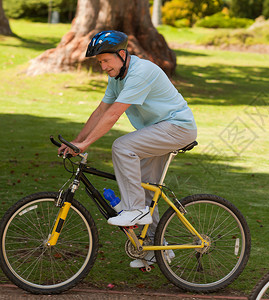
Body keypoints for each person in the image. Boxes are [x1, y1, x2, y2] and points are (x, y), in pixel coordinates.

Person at [58, 30, 197, 268]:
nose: (103, 67)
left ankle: (134, 209)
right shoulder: (117, 77)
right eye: (99, 62)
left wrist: (85, 144)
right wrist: (76, 142)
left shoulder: (140, 72)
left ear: (122, 54)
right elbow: (101, 110)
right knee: (145, 192)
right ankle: (156, 250)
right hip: (158, 130)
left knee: (122, 147)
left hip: (177, 128)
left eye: (105, 60)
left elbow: (113, 115)